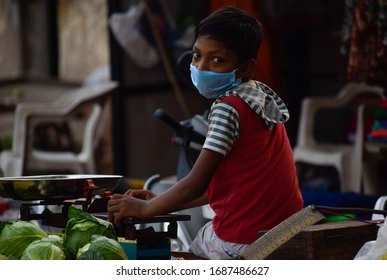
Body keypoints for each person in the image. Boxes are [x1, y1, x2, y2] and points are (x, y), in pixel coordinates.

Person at [108, 6, 303, 259]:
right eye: (197, 56)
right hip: (286, 231)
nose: (202, 67)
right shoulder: (259, 97)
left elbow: (194, 184)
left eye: (217, 60)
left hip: (243, 240)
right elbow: (221, 188)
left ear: (245, 68)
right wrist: (158, 201)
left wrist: (146, 210)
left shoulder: (227, 109)